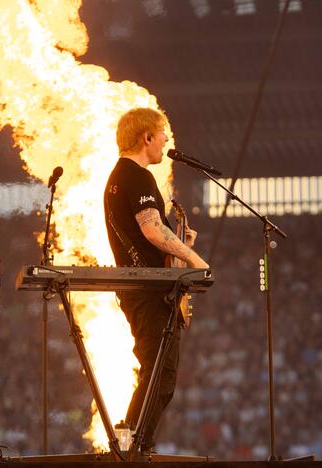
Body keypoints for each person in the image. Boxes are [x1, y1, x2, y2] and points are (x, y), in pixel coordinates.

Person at [104, 107, 210, 454]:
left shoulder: (122, 177)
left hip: (142, 287)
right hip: (147, 292)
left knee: (158, 376)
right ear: (146, 137)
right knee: (157, 376)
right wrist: (194, 260)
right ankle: (130, 448)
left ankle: (134, 445)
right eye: (162, 133)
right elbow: (151, 228)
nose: (167, 139)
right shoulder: (136, 176)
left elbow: (150, 234)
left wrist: (181, 248)